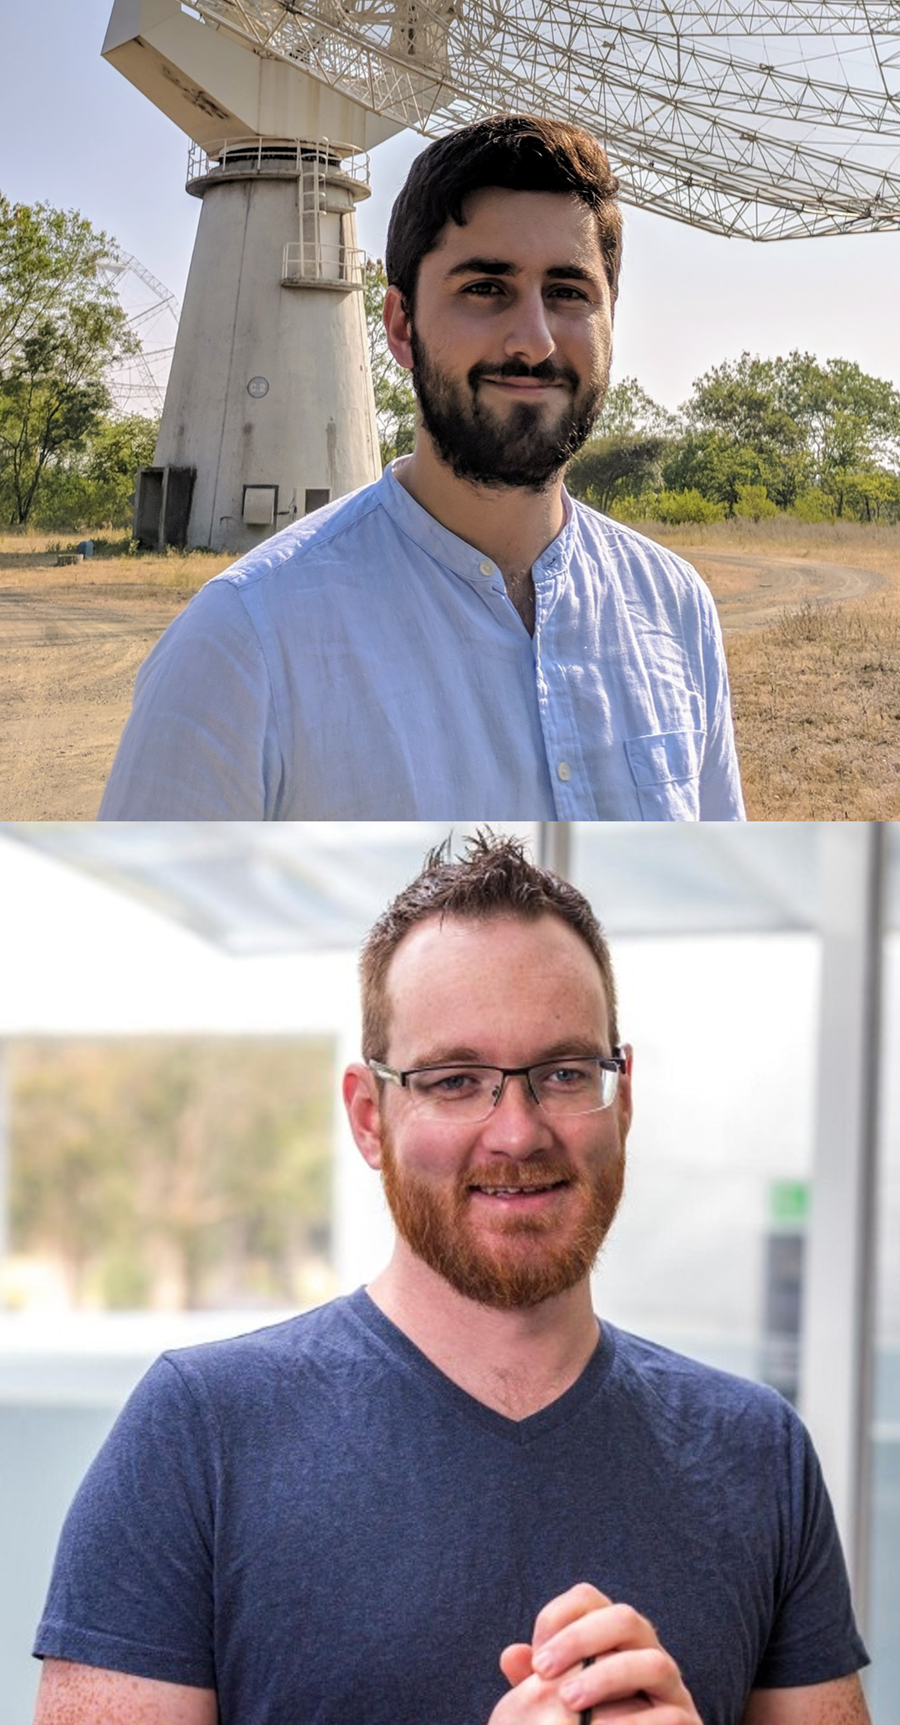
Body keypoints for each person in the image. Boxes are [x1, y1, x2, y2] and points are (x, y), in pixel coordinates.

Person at [33, 832, 868, 1725]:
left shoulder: (756, 1454)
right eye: (457, 1080)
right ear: (369, 1116)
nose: (517, 1132)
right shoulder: (197, 1437)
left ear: (622, 1098)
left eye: (564, 1072)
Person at [97, 115, 744, 821]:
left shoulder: (676, 610)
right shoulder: (243, 645)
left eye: (568, 292)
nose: (533, 342)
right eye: (485, 288)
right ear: (401, 325)